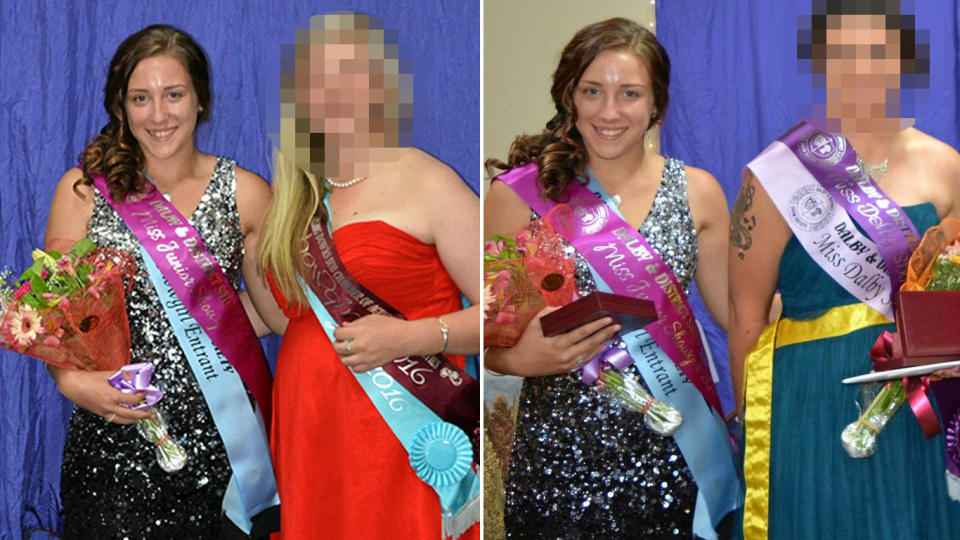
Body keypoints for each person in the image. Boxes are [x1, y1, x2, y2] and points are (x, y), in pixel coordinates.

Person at [485, 17, 739, 539]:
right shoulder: (517, 196)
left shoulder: (699, 192)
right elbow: (494, 340)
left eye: (629, 93)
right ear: (569, 97)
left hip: (675, 448)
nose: (609, 111)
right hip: (559, 458)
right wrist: (521, 360)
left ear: (656, 104)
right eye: (592, 91)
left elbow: (738, 312)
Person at [729, 1, 960, 537]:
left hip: (918, 401)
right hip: (810, 399)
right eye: (844, 54)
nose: (862, 69)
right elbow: (745, 317)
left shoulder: (946, 165)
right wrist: (755, 432)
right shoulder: (774, 174)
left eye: (878, 52)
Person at [44, 24, 278, 538]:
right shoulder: (82, 191)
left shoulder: (247, 193)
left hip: (222, 441)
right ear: (120, 107)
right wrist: (72, 382)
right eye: (140, 98)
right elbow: (55, 323)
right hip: (113, 438)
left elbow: (275, 312)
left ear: (200, 101)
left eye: (174, 95)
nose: (158, 115)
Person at [255, 12, 481, 539]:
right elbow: (286, 318)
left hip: (402, 433)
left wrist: (409, 336)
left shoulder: (428, 179)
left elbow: (498, 312)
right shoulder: (294, 193)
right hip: (312, 425)